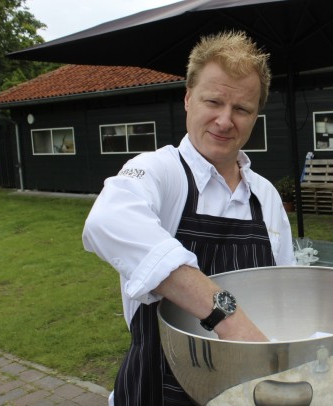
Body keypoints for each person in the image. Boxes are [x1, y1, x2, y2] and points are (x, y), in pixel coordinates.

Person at [82, 30, 295, 405]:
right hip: (156, 387)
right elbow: (107, 221)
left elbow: (285, 293)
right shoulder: (159, 172)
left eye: (242, 109)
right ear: (187, 99)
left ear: (256, 116)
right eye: (213, 101)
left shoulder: (265, 195)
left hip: (244, 389)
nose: (225, 121)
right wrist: (227, 316)